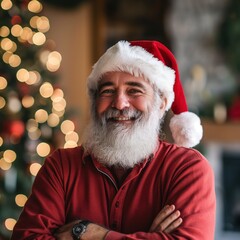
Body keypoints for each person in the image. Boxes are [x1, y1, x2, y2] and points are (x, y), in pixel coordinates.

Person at [11, 40, 216, 239]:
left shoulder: (188, 169)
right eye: (107, 91)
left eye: (134, 90)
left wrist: (91, 233)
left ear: (161, 103)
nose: (119, 103)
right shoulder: (61, 166)